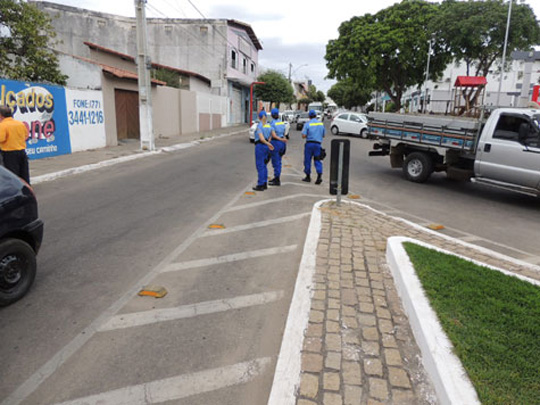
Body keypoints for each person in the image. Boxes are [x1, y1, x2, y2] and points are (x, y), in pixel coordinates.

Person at [0, 105, 30, 184]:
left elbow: (1, 139)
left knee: (12, 175)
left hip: (9, 153)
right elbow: (26, 136)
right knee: (24, 174)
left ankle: (16, 192)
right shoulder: (20, 124)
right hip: (21, 151)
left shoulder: (3, 125)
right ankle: (27, 189)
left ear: (1, 115)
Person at [301, 109, 325, 184]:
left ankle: (308, 176)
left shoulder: (307, 124)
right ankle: (319, 176)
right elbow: (323, 135)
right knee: (317, 160)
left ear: (309, 116)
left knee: (307, 160)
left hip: (309, 144)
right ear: (315, 115)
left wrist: (309, 135)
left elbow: (303, 136)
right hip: (318, 144)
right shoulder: (321, 124)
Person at [253, 110, 274, 191]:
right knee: (264, 165)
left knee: (260, 166)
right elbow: (271, 136)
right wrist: (268, 143)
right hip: (266, 147)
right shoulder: (269, 125)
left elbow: (261, 138)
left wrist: (267, 144)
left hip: (261, 146)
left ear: (259, 117)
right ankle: (264, 182)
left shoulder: (259, 126)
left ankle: (261, 184)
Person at [268, 108, 288, 186]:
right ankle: (276, 177)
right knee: (279, 161)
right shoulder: (281, 123)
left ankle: (277, 179)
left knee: (276, 162)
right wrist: (283, 140)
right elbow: (284, 133)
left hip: (276, 143)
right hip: (282, 144)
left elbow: (273, 135)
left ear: (272, 115)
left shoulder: (272, 124)